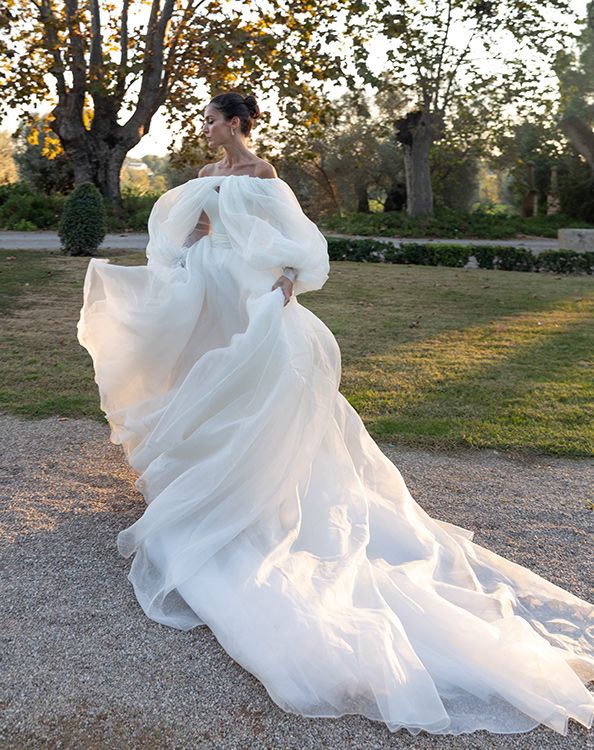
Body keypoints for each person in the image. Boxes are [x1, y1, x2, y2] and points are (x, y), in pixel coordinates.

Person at [77, 91, 594, 738]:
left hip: (250, 294)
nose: (204, 127)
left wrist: (286, 279)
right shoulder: (206, 177)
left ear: (236, 124)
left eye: (211, 118)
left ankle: (251, 494)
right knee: (198, 379)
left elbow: (297, 241)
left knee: (260, 389)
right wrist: (201, 239)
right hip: (211, 290)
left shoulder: (263, 175)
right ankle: (199, 478)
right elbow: (180, 232)